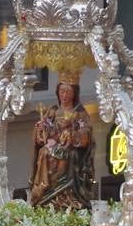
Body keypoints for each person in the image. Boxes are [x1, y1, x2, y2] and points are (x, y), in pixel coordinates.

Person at [28, 80, 94, 209]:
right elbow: (43, 134)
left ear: (74, 94)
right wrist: (41, 129)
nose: (64, 95)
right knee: (44, 152)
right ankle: (43, 186)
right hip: (52, 147)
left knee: (49, 153)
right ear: (57, 93)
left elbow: (86, 134)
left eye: (68, 92)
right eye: (61, 91)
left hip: (70, 151)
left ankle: (54, 188)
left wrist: (72, 135)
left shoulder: (80, 113)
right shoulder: (53, 111)